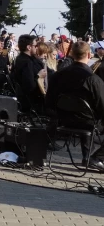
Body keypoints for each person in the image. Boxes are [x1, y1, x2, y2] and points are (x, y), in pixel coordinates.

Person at [46, 41, 104, 171]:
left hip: (62, 120)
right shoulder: (92, 79)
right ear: (89, 54)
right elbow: (102, 105)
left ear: (71, 53)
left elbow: (49, 101)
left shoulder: (57, 76)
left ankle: (87, 157)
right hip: (87, 121)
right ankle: (96, 158)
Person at [12, 34, 46, 113]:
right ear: (29, 47)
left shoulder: (22, 58)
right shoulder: (26, 62)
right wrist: (39, 76)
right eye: (35, 45)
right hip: (31, 101)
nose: (37, 47)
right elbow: (30, 85)